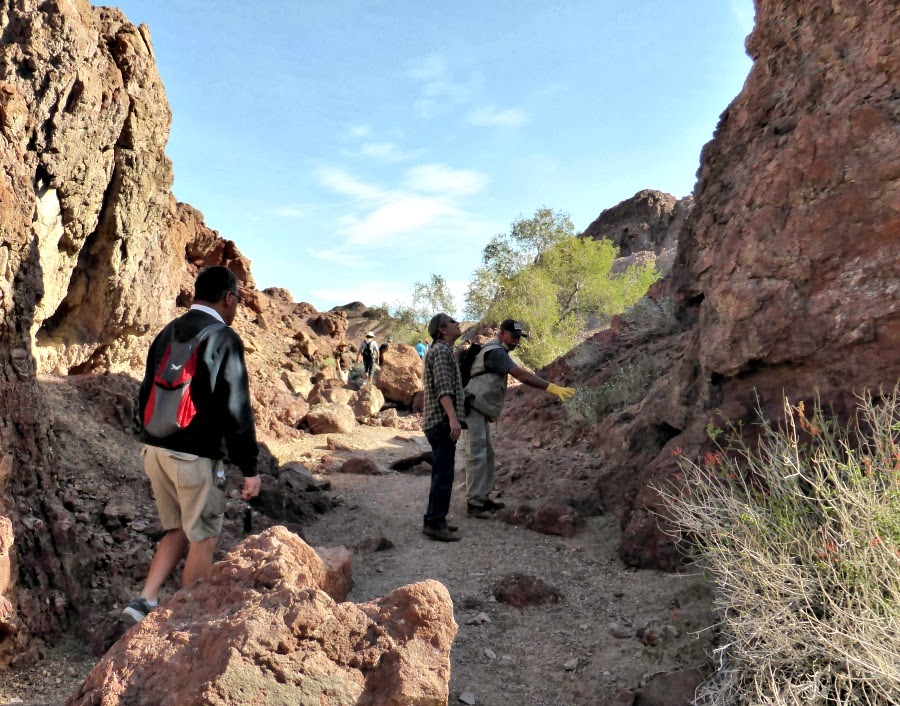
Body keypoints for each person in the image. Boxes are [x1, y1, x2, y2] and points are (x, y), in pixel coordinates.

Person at [124, 266, 261, 624]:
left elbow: (145, 392)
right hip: (194, 457)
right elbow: (237, 408)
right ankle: (185, 620)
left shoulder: (167, 331)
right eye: (237, 300)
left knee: (178, 528)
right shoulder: (224, 338)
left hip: (155, 450)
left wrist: (151, 436)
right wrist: (249, 468)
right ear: (228, 297)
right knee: (204, 535)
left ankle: (144, 600)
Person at [463, 319, 575, 518]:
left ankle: (483, 497)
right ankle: (475, 504)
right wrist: (551, 387)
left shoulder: (497, 350)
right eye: (513, 336)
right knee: (477, 456)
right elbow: (521, 375)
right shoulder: (495, 351)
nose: (516, 341)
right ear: (502, 333)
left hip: (479, 408)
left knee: (486, 455)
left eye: (519, 338)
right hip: (473, 408)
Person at [421, 313, 466, 542]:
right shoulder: (440, 351)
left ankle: (436, 518)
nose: (458, 323)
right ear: (443, 329)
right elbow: (443, 389)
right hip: (440, 420)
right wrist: (453, 419)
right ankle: (435, 523)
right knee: (444, 473)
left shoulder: (444, 351)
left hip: (439, 420)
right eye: (453, 321)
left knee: (442, 471)